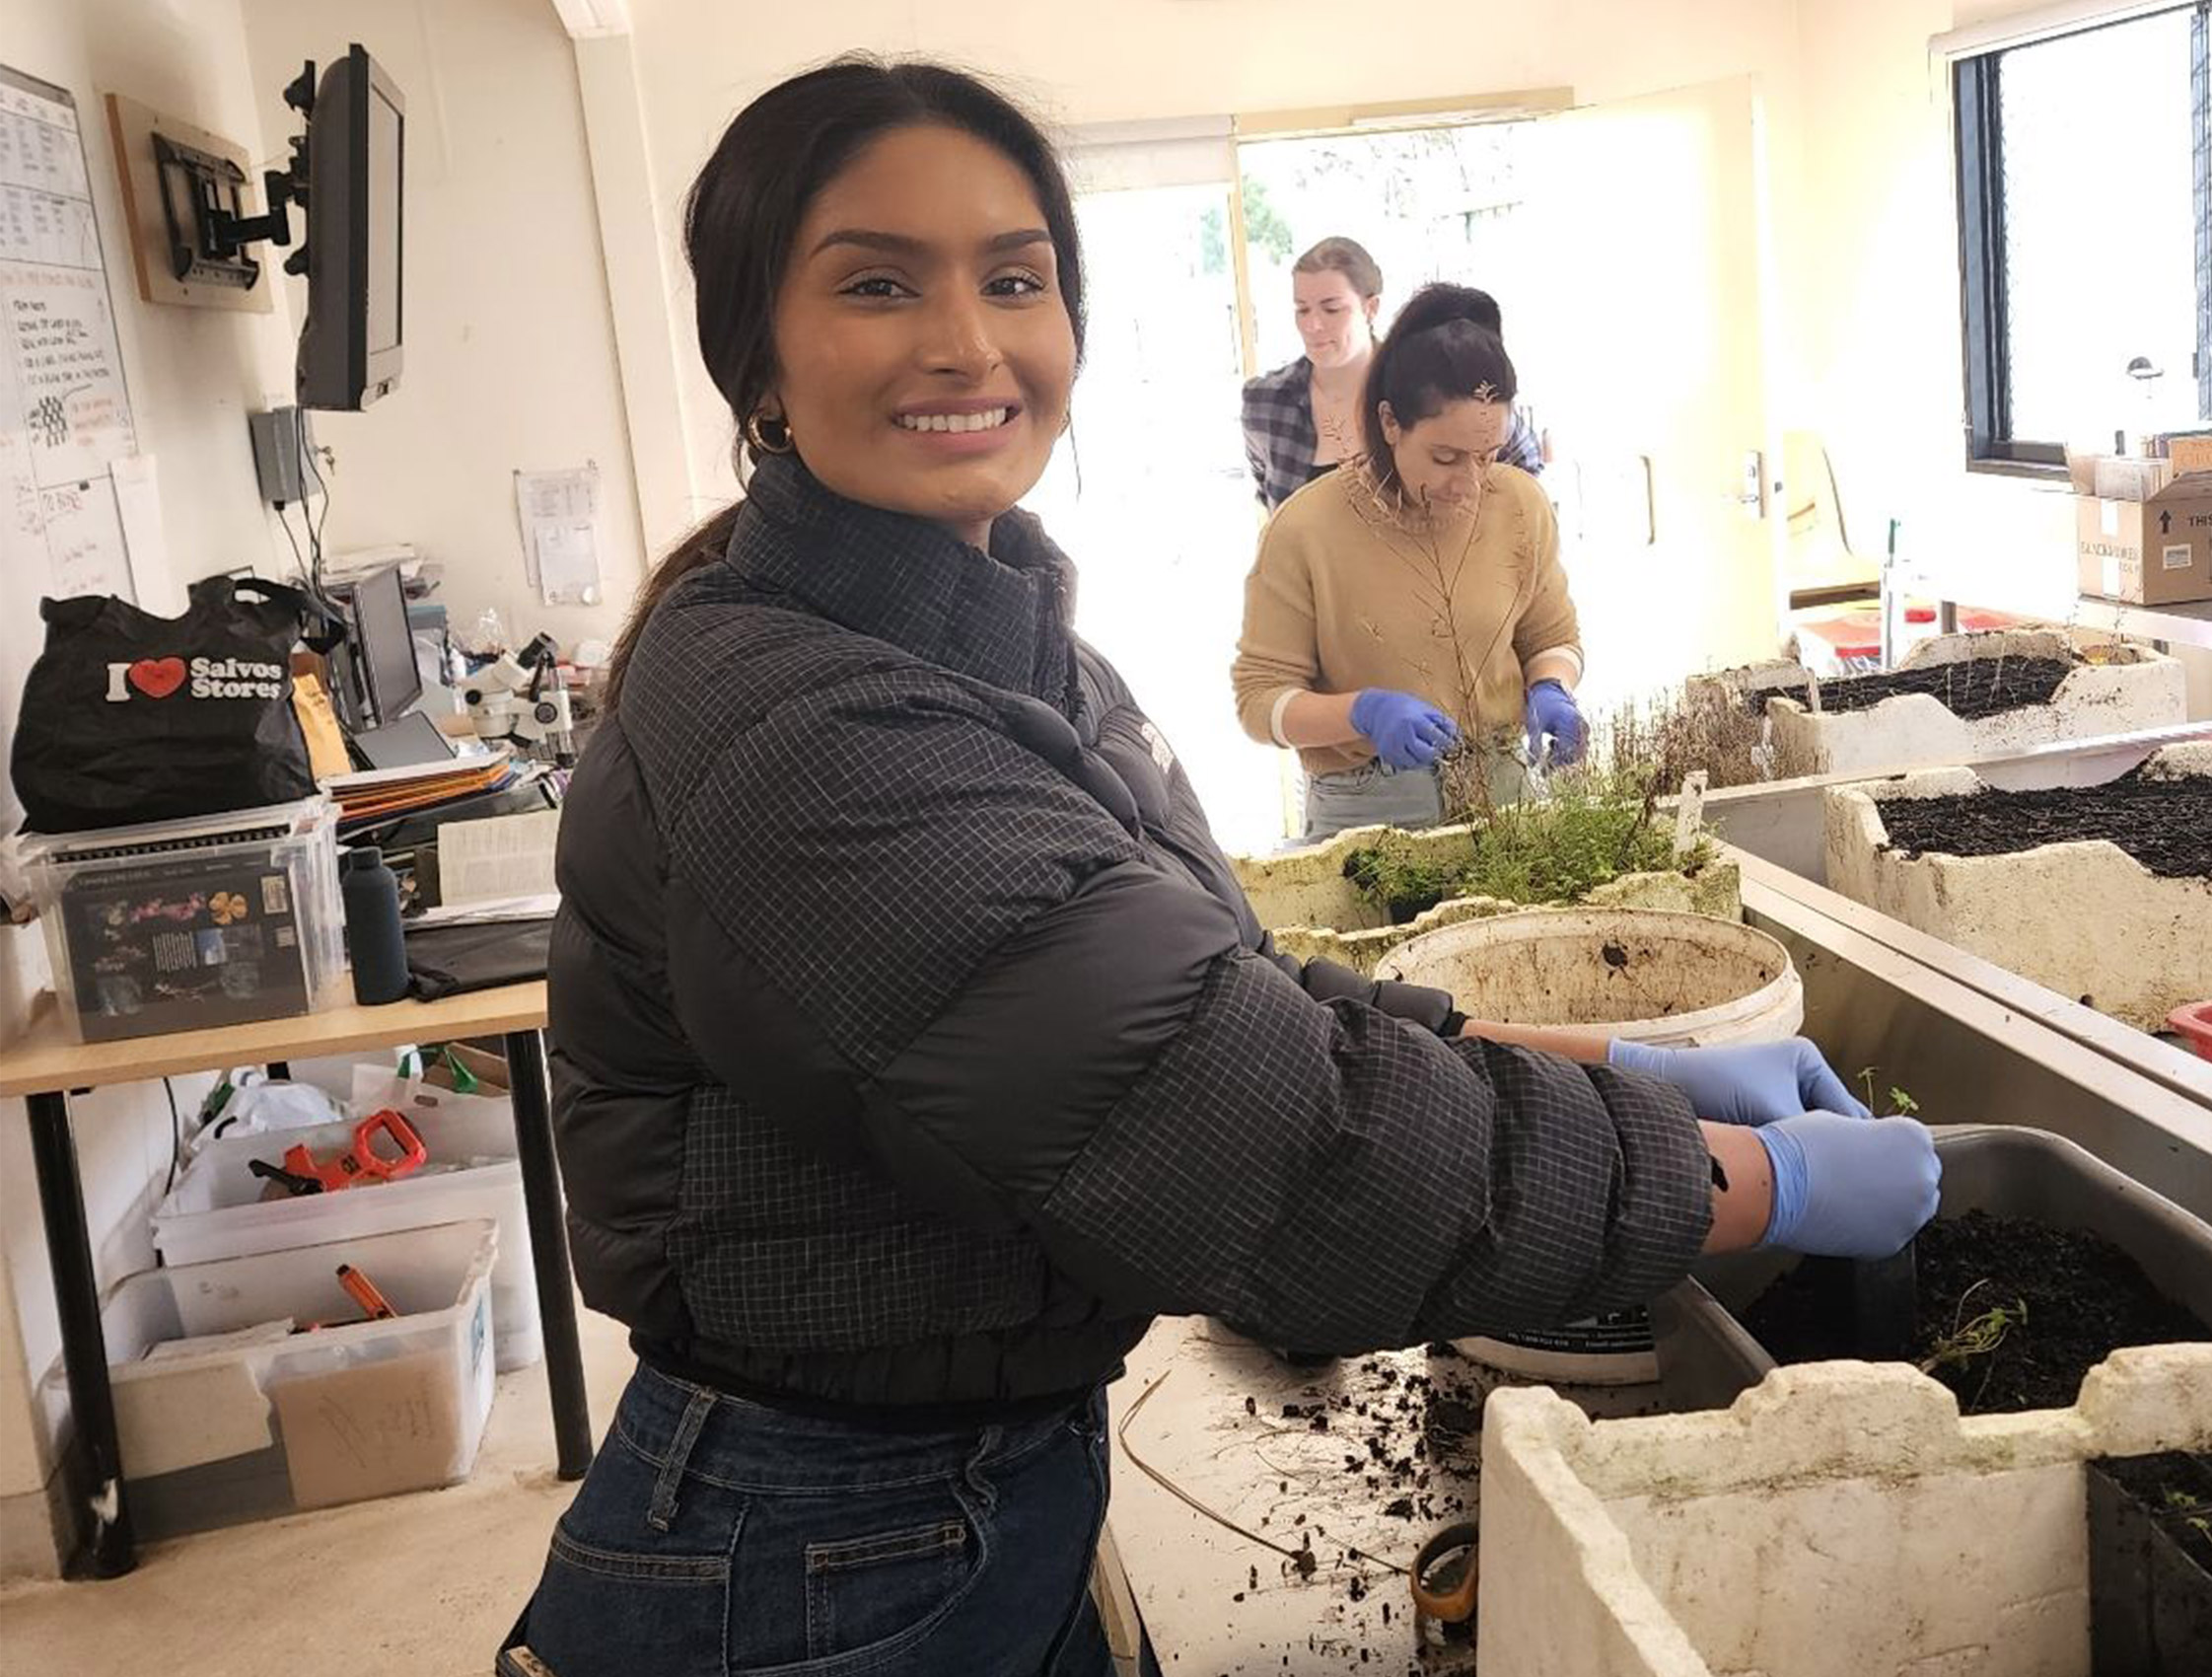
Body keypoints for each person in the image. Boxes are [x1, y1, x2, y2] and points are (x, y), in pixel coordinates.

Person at [504, 56, 1938, 1677]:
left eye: (1015, 278)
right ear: (756, 349)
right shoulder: (814, 734)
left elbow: (1225, 1009)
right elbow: (1258, 1134)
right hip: (822, 1551)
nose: (968, 341)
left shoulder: (1003, 642)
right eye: (878, 283)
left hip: (939, 1489)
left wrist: (1625, 1075)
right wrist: (1746, 1187)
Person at [1234, 283, 1583, 842]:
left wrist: (1553, 688)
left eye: (1486, 457)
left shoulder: (1518, 504)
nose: (1469, 484)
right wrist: (1360, 713)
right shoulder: (1306, 529)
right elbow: (1260, 702)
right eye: (1444, 457)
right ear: (1391, 422)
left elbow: (1552, 639)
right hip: (1368, 824)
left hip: (1506, 811)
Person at [1241, 237, 1543, 511]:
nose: (1313, 325)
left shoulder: (1427, 381)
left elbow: (1523, 464)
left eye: (1332, 309)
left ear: (1371, 307)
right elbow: (1271, 504)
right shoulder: (1265, 403)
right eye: (1302, 309)